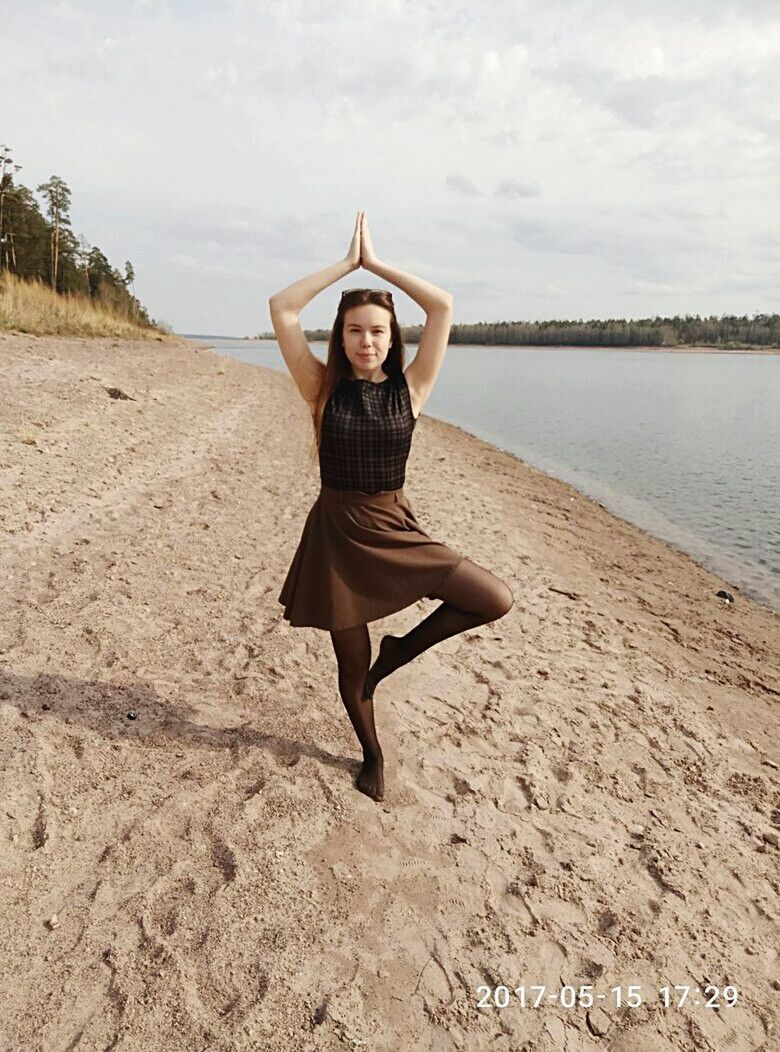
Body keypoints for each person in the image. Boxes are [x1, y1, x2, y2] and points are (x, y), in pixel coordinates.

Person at [269, 211, 514, 803]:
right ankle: (372, 755)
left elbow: (442, 307)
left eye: (377, 331)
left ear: (391, 337)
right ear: (342, 335)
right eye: (355, 330)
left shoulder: (414, 386)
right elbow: (282, 307)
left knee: (492, 598)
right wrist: (344, 266)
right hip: (336, 534)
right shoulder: (319, 385)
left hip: (393, 525)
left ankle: (400, 649)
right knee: (351, 664)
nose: (367, 341)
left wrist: (376, 265)